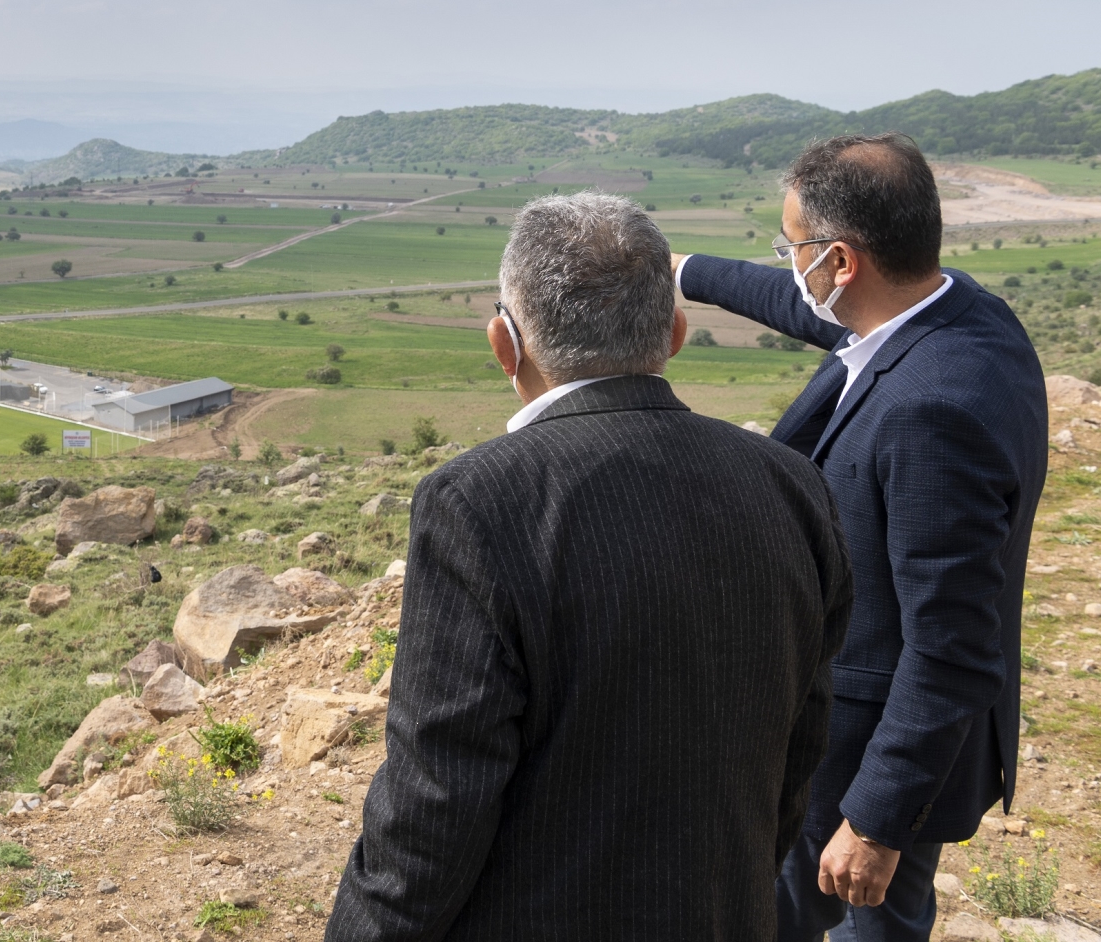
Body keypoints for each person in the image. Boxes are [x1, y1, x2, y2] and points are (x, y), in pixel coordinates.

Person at [327, 192, 852, 942]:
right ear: (674, 332)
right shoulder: (792, 485)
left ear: (504, 343)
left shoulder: (475, 504)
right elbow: (801, 741)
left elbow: (436, 797)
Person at [674, 133, 1047, 941]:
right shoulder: (957, 313)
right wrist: (677, 271)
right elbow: (798, 305)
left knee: (775, 920)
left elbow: (953, 643)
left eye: (794, 249)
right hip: (908, 746)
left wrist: (875, 820)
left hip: (865, 756)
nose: (789, 265)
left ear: (841, 262)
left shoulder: (931, 412)